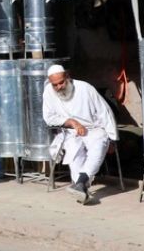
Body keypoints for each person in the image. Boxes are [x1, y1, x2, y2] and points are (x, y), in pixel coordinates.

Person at [42, 64, 118, 205]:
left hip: (94, 128)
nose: (59, 87)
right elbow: (49, 117)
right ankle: (81, 187)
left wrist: (112, 139)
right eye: (55, 85)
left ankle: (81, 182)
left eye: (61, 82)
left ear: (68, 77)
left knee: (99, 143)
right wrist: (71, 122)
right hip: (70, 131)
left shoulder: (84, 88)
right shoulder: (48, 92)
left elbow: (105, 112)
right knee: (74, 152)